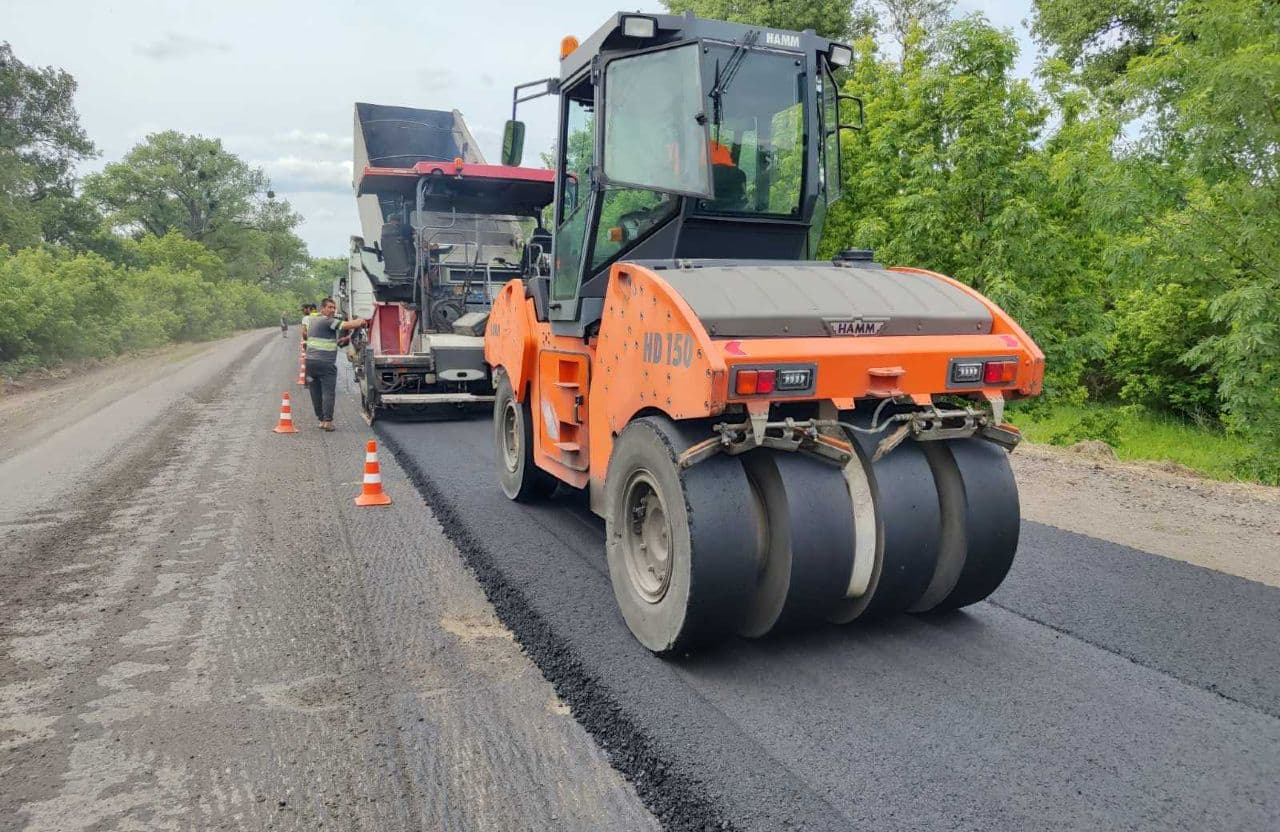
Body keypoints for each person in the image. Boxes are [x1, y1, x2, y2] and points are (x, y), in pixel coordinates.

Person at [305, 298, 367, 431]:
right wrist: (361, 321)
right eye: (329, 307)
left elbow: (324, 339)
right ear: (322, 309)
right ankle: (328, 421)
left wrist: (341, 340)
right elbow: (348, 325)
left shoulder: (313, 321)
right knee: (328, 392)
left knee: (315, 392)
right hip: (325, 364)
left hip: (310, 363)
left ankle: (321, 420)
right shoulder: (328, 321)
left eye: (334, 308)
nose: (332, 310)